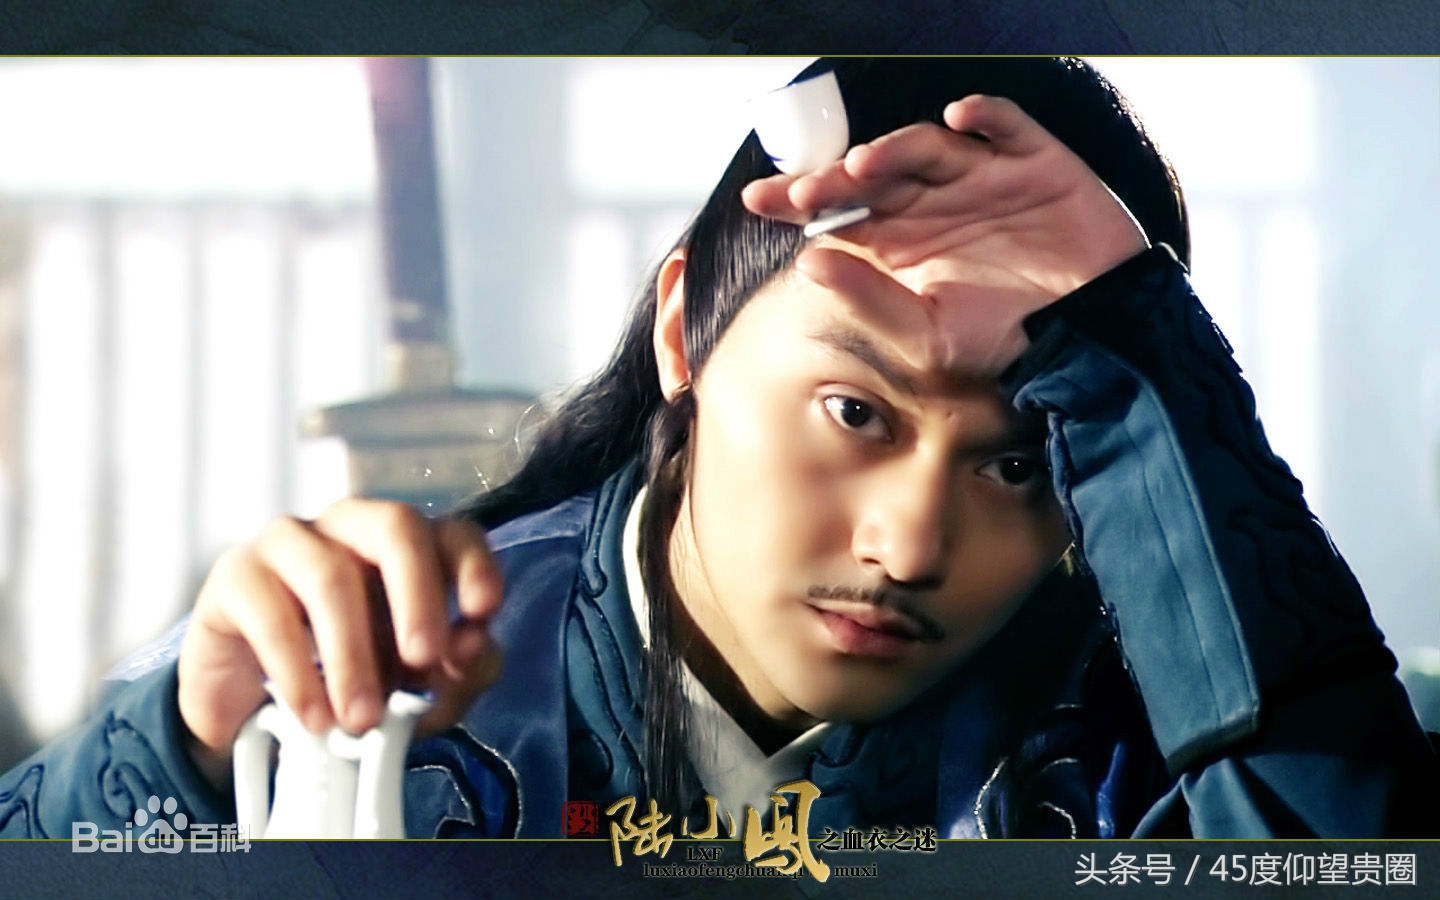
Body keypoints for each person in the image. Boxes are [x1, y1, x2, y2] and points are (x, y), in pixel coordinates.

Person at [2, 56, 1435, 841]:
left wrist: (1140, 344)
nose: (907, 547)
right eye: (856, 412)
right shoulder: (369, 681)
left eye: (1020, 460)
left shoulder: (1147, 734)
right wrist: (186, 756)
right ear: (686, 330)